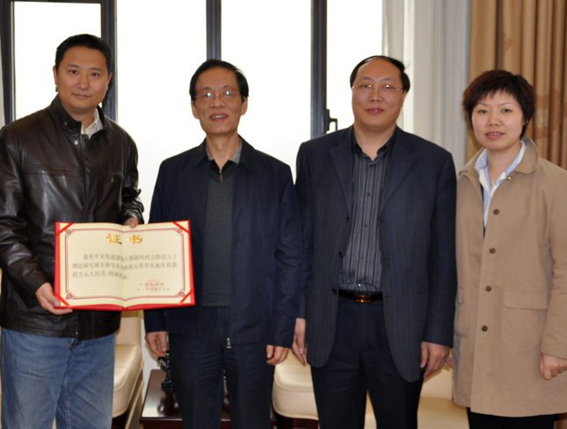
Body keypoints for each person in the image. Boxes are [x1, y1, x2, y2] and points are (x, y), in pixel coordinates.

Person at [293, 55, 457, 429]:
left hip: (401, 322)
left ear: (403, 96)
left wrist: (437, 333)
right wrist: (298, 313)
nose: (375, 95)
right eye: (365, 86)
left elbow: (444, 257)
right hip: (332, 319)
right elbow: (301, 243)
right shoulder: (315, 156)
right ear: (352, 92)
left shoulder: (433, 162)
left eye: (387, 87)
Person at [144, 59, 302, 429]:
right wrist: (155, 319)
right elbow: (155, 252)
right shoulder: (173, 172)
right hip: (190, 325)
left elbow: (290, 256)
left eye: (228, 93)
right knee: (197, 421)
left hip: (254, 326)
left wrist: (281, 328)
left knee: (253, 421)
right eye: (206, 95)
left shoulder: (275, 174)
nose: (217, 102)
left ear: (244, 103)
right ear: (194, 107)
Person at [0, 34, 144, 428]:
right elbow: (4, 225)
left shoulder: (122, 144)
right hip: (35, 320)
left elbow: (130, 198)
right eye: (73, 71)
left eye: (95, 74)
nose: (84, 83)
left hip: (98, 324)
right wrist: (36, 284)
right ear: (55, 74)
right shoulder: (17, 138)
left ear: (108, 80)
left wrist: (132, 219)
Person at [452, 69, 567, 428]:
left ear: (525, 117)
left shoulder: (556, 183)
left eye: (506, 110)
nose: (493, 121)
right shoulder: (461, 184)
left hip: (531, 350)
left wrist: (558, 346)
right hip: (475, 345)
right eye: (482, 111)